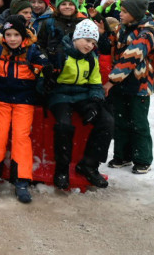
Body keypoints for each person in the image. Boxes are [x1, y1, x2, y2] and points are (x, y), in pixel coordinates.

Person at [0, 15, 50, 203]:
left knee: (21, 137)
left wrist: (47, 68)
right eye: (8, 34)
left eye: (16, 34)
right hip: (0, 99)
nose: (12, 39)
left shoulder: (33, 51)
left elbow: (47, 68)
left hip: (24, 101)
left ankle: (22, 180)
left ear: (23, 35)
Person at [47, 19, 113, 189]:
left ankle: (89, 165)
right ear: (77, 38)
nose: (90, 46)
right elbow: (45, 79)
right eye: (87, 40)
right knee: (64, 125)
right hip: (61, 94)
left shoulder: (91, 59)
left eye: (93, 42)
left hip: (83, 95)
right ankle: (62, 168)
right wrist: (48, 78)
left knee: (107, 121)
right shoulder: (61, 53)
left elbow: (95, 83)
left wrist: (95, 101)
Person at [103, 0, 154, 174]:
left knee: (138, 122)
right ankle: (122, 156)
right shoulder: (122, 29)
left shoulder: (146, 34)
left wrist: (110, 82)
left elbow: (130, 58)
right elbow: (113, 49)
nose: (120, 14)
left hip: (139, 85)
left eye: (125, 12)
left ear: (135, 14)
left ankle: (142, 159)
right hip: (122, 85)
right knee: (121, 120)